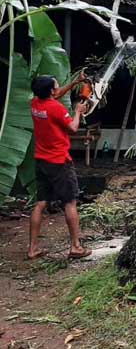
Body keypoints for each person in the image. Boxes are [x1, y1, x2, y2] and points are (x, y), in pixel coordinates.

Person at [28, 73, 92, 260]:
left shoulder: (35, 103)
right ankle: (75, 247)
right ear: (50, 91)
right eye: (56, 86)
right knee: (70, 202)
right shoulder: (56, 108)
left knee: (40, 203)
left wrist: (75, 83)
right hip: (59, 162)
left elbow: (56, 94)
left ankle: (32, 249)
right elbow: (73, 128)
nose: (58, 89)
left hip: (41, 160)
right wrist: (78, 111)